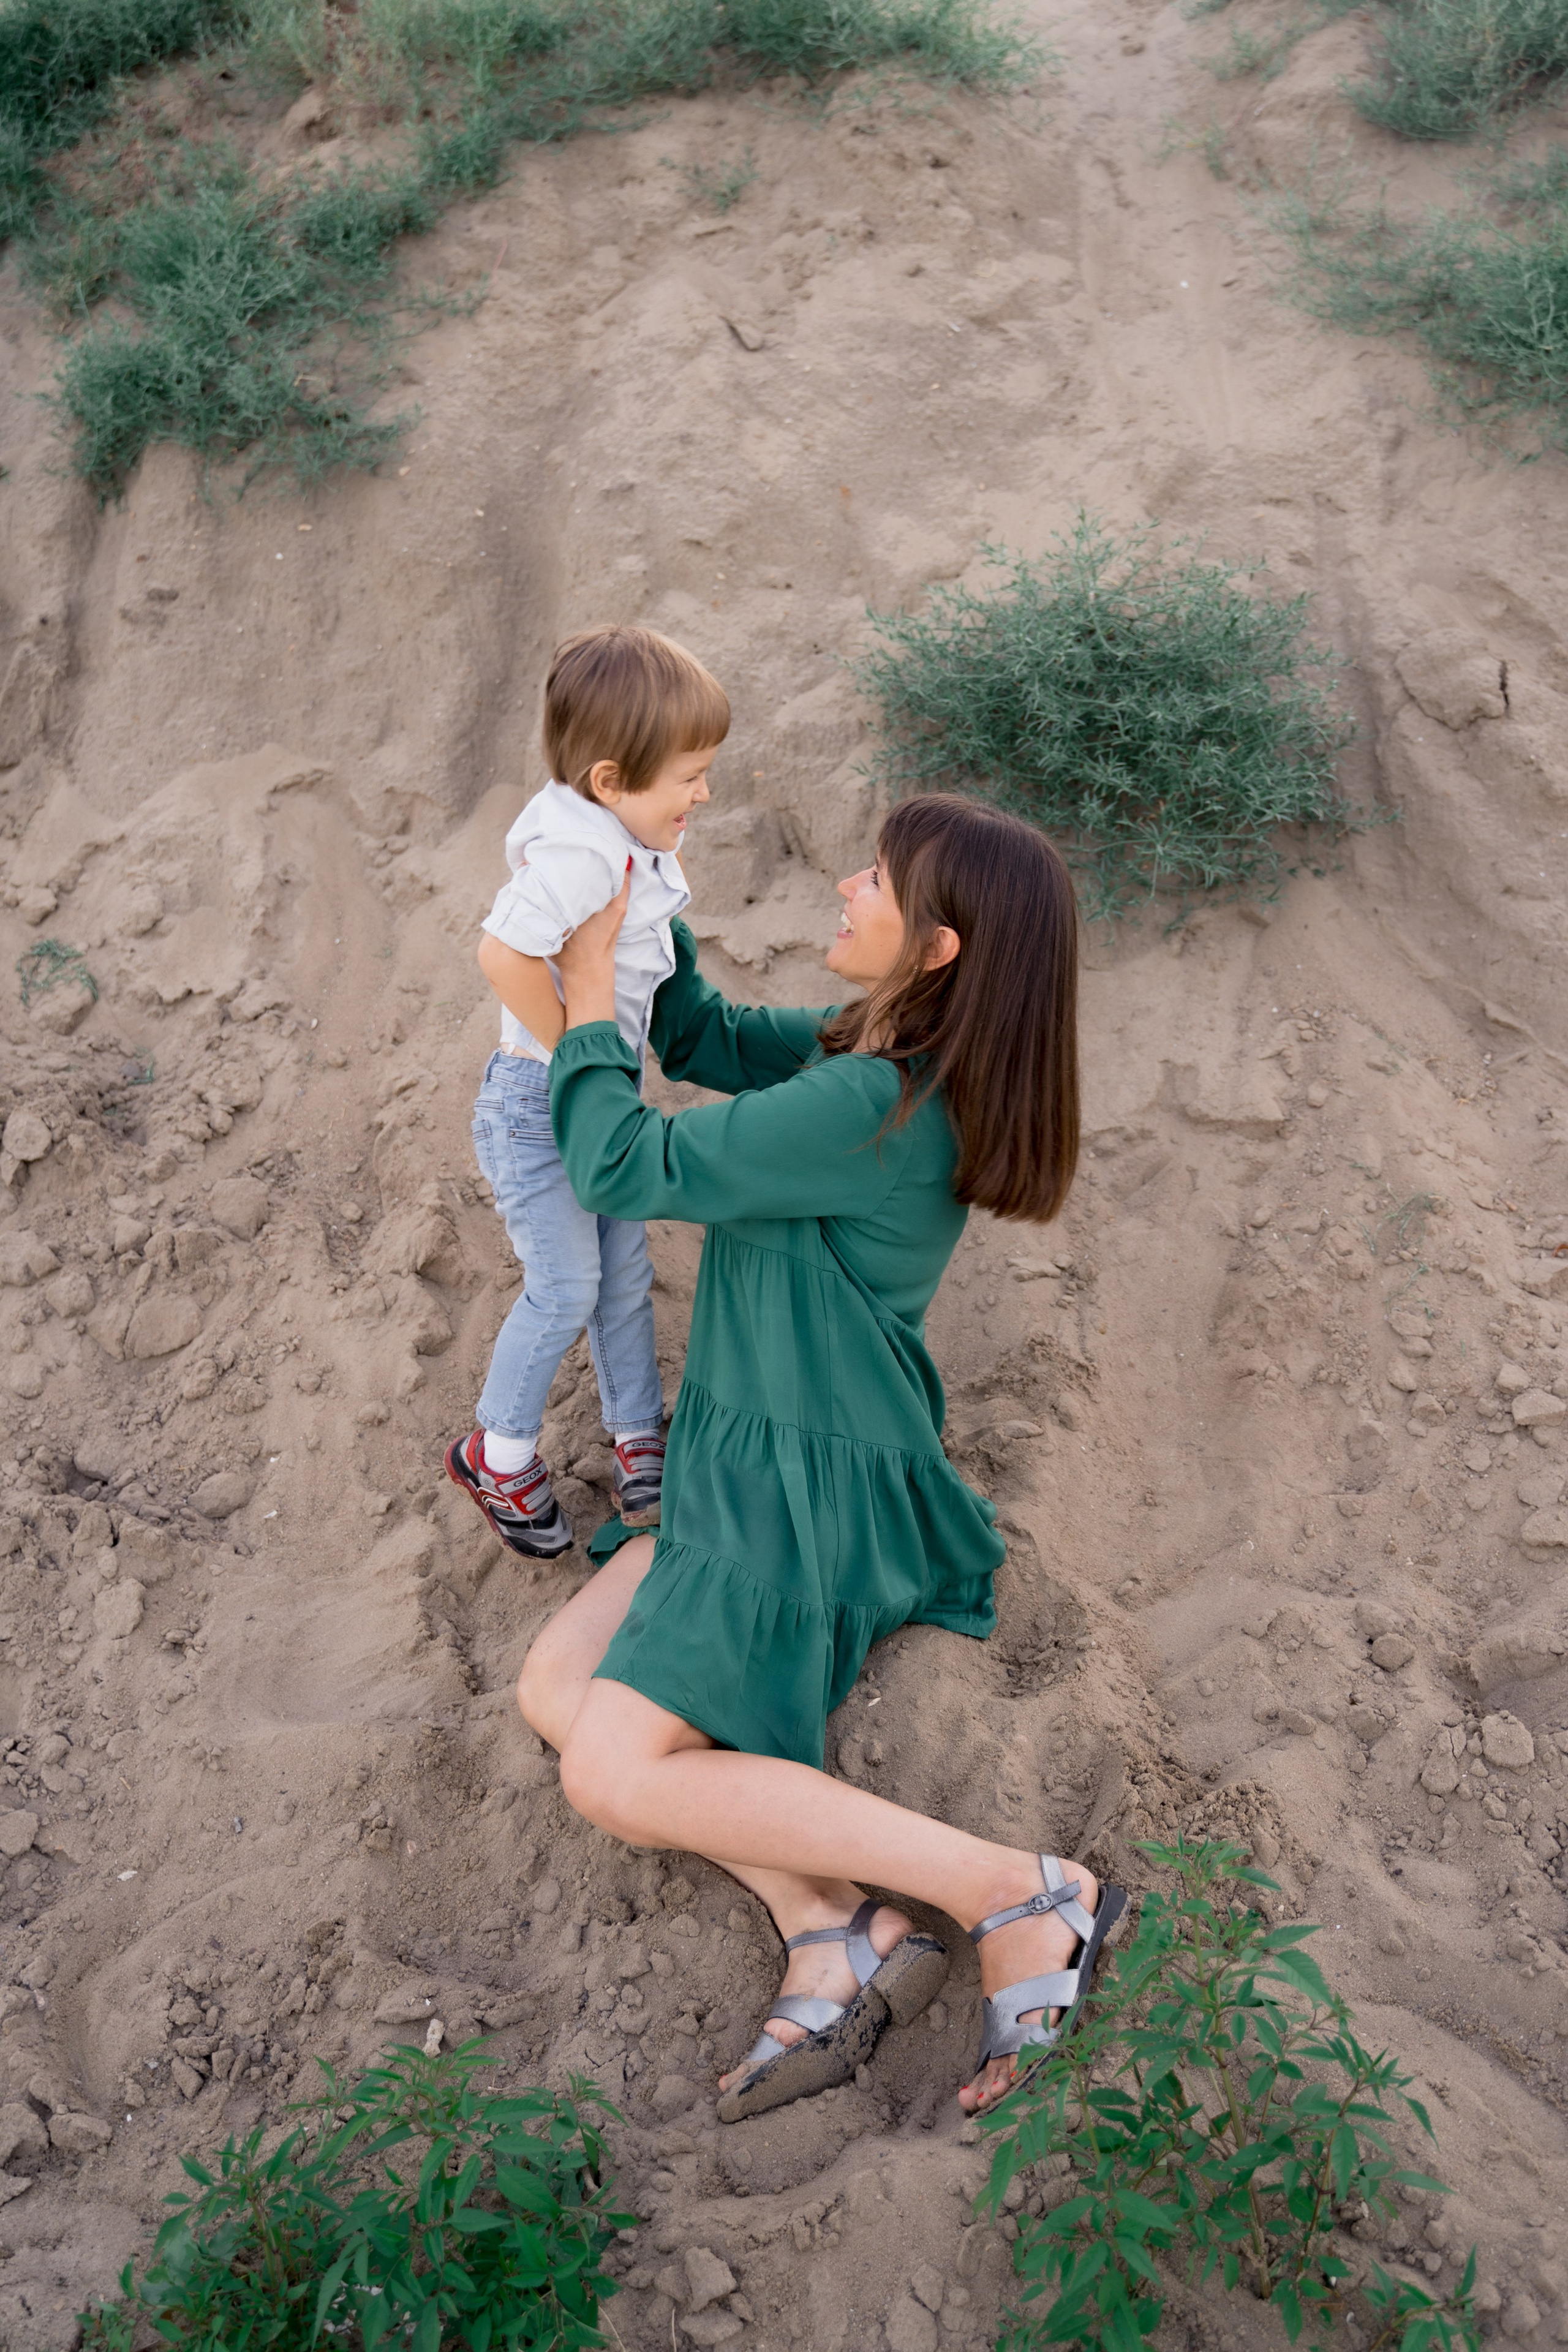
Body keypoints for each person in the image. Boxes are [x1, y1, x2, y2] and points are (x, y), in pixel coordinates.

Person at [516, 793, 1127, 2120]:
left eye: (878, 879)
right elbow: (699, 1036)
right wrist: (638, 885)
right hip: (760, 1462)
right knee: (556, 1685)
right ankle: (838, 1925)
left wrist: (573, 1003)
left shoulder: (872, 1103)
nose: (849, 885)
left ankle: (1013, 1892)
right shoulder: (878, 1058)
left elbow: (621, 1159)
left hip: (804, 1493)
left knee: (609, 1771)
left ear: (940, 946)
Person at [445, 625, 729, 1557]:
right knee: (567, 1284)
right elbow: (501, 950)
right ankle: (499, 1449)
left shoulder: (612, 835)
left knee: (621, 1278)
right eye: (689, 776)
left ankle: (639, 1437)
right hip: (538, 1102)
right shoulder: (582, 856)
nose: (704, 791)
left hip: (592, 1099)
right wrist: (578, 1044)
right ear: (611, 781)